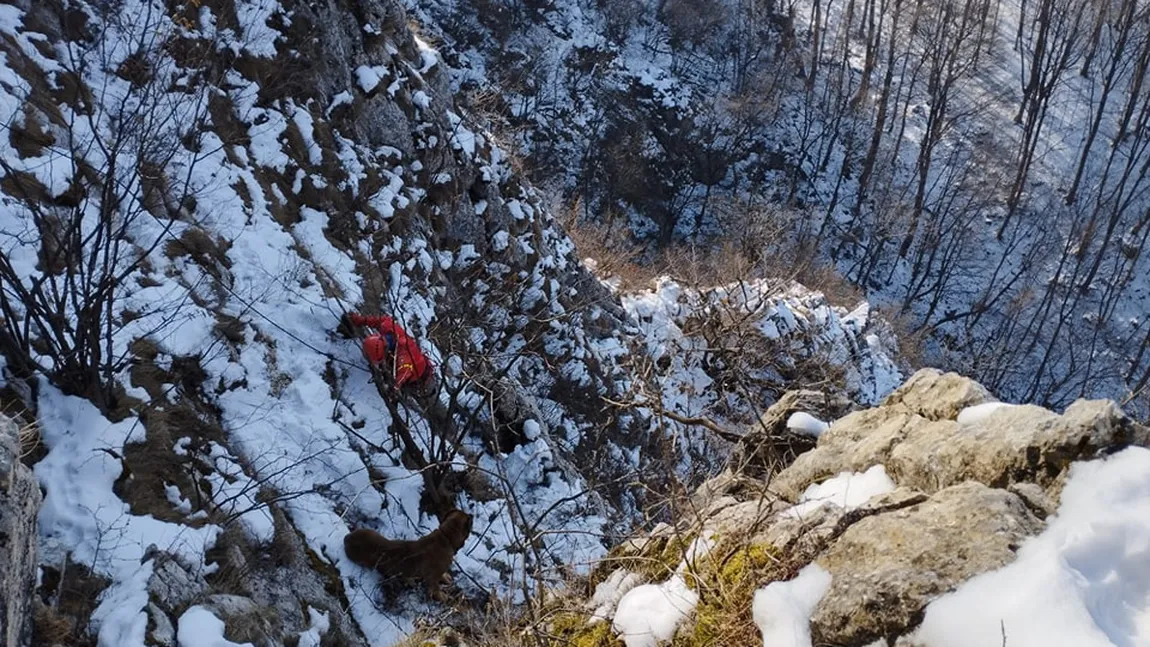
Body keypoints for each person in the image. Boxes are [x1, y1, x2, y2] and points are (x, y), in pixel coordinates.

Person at [340, 312, 433, 392]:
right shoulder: (387, 327)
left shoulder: (404, 354)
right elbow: (380, 320)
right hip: (411, 363)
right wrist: (360, 320)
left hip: (419, 376)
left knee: (427, 391)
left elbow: (405, 371)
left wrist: (395, 386)